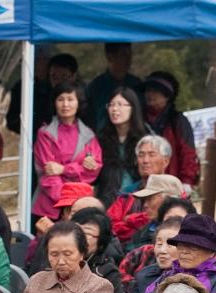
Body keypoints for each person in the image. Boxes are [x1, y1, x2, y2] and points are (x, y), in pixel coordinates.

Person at [18, 221, 114, 293]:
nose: (61, 261)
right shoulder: (37, 280)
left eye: (68, 254)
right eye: (54, 254)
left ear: (82, 254)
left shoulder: (98, 286)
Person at [32, 83, 103, 225]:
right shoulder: (45, 134)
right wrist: (66, 202)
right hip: (49, 208)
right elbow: (48, 175)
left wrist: (64, 169)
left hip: (80, 207)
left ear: (79, 103)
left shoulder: (88, 135)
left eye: (70, 99)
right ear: (54, 103)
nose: (65, 104)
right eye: (60, 99)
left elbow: (93, 171)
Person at [107, 139, 180, 245]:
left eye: (152, 154)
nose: (145, 160)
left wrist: (131, 221)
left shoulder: (178, 198)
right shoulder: (127, 194)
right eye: (141, 155)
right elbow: (110, 228)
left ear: (166, 161)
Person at [141, 72, 199, 188]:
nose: (150, 94)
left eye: (155, 91)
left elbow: (188, 153)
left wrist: (186, 182)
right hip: (142, 182)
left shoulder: (178, 121)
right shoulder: (139, 118)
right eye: (148, 90)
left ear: (167, 95)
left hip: (171, 182)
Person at [95, 87, 148, 205]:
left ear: (133, 108)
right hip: (108, 201)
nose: (114, 109)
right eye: (111, 105)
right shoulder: (100, 139)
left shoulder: (145, 140)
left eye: (120, 104)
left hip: (138, 200)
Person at [87, 43, 143, 129]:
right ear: (110, 57)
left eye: (130, 55)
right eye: (123, 55)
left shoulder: (137, 84)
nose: (129, 59)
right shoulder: (95, 86)